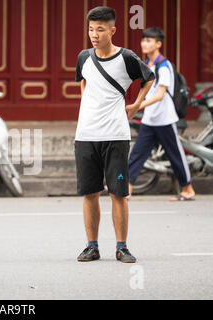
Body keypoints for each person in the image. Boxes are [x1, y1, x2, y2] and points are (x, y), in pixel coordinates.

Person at [74, 7, 155, 263]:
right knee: (90, 193)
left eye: (99, 29)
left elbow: (148, 79)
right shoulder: (84, 57)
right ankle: (92, 246)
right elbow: (83, 82)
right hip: (86, 135)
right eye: (90, 29)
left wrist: (136, 105)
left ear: (112, 30)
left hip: (116, 135)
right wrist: (87, 108)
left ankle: (122, 246)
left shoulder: (127, 57)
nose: (94, 34)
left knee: (118, 193)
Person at [128, 27, 195, 201]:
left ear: (158, 44)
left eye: (149, 41)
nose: (144, 43)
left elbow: (159, 95)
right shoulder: (148, 64)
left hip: (165, 118)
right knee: (137, 153)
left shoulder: (164, 66)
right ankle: (126, 187)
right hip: (150, 119)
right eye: (144, 40)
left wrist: (137, 105)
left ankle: (187, 188)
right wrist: (139, 104)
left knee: (175, 154)